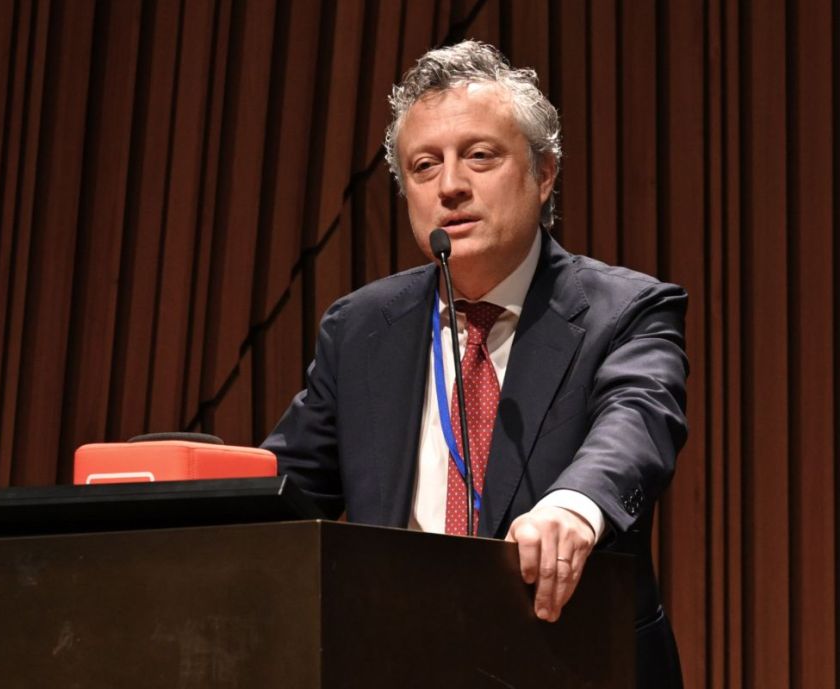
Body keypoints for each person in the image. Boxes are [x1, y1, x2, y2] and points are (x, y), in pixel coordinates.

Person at [262, 40, 687, 688]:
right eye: (424, 165)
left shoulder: (626, 311)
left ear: (544, 174)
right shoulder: (360, 330)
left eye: (480, 156)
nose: (450, 186)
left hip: (572, 664)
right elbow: (286, 492)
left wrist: (575, 505)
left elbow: (637, 424)